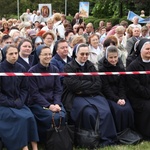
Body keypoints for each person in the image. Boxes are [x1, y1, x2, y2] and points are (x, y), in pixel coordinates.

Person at [62, 43, 117, 146]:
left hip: (92, 95)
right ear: (76, 54)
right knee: (89, 112)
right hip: (75, 97)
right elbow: (73, 86)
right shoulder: (69, 67)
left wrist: (82, 89)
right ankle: (91, 139)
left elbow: (98, 84)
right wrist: (88, 85)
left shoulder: (90, 65)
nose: (84, 56)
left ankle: (106, 138)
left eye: (87, 54)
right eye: (82, 54)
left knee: (105, 111)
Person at [0, 44, 39, 150]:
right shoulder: (1, 68)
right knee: (21, 118)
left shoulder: (21, 68)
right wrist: (11, 103)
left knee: (30, 117)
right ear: (5, 55)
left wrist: (20, 101)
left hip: (19, 102)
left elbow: (25, 88)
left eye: (16, 53)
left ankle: (35, 147)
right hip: (4, 105)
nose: (14, 56)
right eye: (11, 54)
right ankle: (23, 147)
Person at [28, 44, 66, 142]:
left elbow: (58, 89)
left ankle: (60, 140)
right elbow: (34, 93)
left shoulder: (55, 70)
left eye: (49, 54)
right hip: (38, 103)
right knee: (51, 116)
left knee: (62, 115)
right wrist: (49, 106)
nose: (48, 56)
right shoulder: (32, 71)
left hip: (54, 101)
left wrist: (57, 103)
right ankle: (47, 140)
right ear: (39, 56)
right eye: (45, 54)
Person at [98, 45, 134, 133]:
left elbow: (123, 85)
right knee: (118, 110)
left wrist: (122, 98)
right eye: (111, 57)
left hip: (120, 94)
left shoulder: (121, 68)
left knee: (128, 109)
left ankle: (129, 131)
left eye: (115, 57)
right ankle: (118, 132)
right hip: (109, 96)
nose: (113, 60)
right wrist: (116, 99)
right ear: (106, 57)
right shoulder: (102, 69)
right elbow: (106, 88)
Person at [126, 38, 150, 139]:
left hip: (147, 94)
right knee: (148, 107)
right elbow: (136, 87)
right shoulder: (133, 66)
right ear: (140, 50)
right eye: (147, 49)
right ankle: (146, 133)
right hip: (138, 97)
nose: (149, 51)